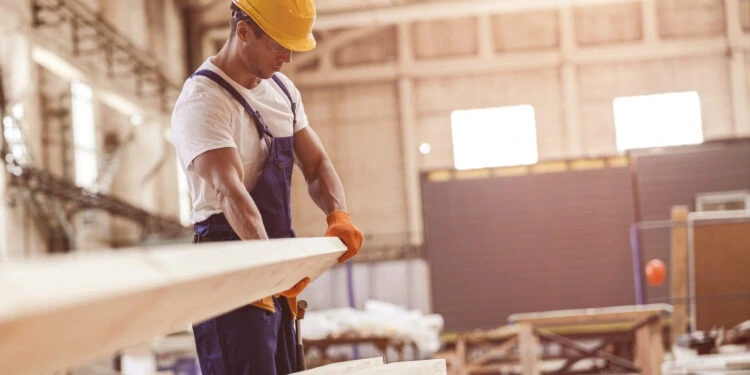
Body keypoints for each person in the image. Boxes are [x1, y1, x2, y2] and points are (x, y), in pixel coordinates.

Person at [170, 0, 363, 374]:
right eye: (278, 45)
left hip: (271, 253)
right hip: (229, 259)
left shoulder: (283, 91)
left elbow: (316, 163)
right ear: (243, 32)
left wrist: (337, 214)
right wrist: (265, 268)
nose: (287, 57)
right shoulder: (203, 102)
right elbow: (230, 192)